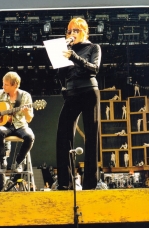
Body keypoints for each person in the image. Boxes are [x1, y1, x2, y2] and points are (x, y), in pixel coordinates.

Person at [56, 17, 101, 190]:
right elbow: (62, 75)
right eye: (69, 31)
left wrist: (74, 57)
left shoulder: (93, 48)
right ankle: (65, 183)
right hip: (72, 94)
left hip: (89, 91)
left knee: (91, 135)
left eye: (76, 30)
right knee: (63, 135)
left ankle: (91, 183)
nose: (72, 33)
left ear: (84, 31)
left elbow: (94, 69)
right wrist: (63, 88)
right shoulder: (66, 50)